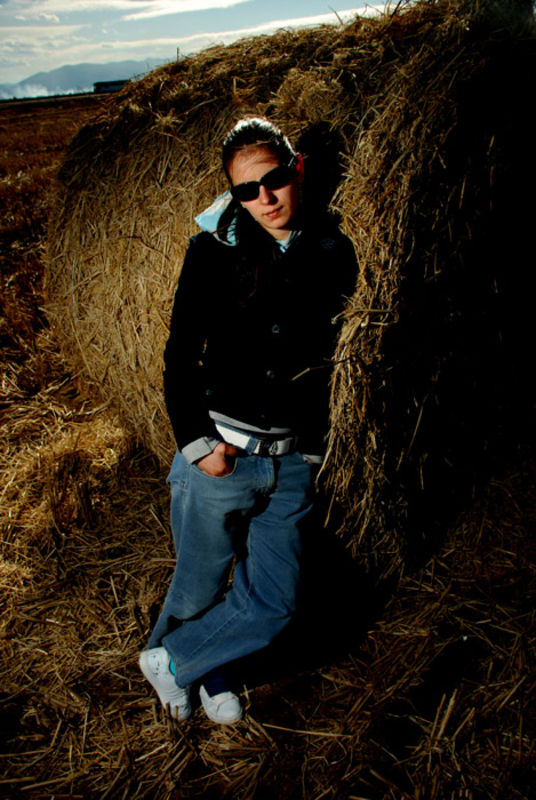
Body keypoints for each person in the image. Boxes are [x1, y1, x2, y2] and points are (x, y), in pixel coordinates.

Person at [139, 117, 357, 724]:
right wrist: (197, 444)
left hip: (290, 464)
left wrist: (311, 452)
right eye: (246, 189)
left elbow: (335, 356)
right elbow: (180, 354)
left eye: (275, 179)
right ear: (233, 193)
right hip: (222, 457)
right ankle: (210, 674)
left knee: (276, 600)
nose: (265, 197)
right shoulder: (214, 250)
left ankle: (175, 661)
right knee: (199, 585)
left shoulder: (332, 250)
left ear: (297, 170)